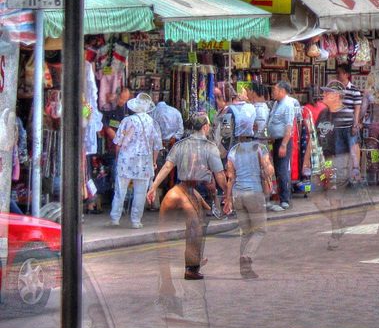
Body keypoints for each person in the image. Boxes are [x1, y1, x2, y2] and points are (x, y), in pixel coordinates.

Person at [147, 113, 231, 281]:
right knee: (195, 230)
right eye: (208, 125)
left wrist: (153, 187)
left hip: (181, 188)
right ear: (205, 127)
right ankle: (191, 269)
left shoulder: (180, 145)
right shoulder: (209, 147)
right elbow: (220, 176)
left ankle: (193, 262)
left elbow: (167, 167)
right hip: (195, 189)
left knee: (189, 229)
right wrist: (228, 195)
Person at [224, 129, 275, 279]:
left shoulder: (233, 150)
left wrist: (227, 199)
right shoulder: (260, 148)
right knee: (260, 230)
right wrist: (268, 169)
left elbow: (230, 177)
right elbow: (269, 170)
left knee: (245, 232)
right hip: (254, 194)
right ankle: (246, 256)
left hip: (238, 195)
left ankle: (245, 271)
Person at [109, 92, 163, 229]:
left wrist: (117, 157)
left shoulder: (128, 121)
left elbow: (118, 141)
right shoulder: (152, 123)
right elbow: (157, 145)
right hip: (144, 162)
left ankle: (115, 218)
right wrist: (154, 161)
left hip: (126, 160)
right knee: (140, 192)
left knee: (120, 189)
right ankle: (136, 220)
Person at [267, 80, 300, 211]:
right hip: (276, 141)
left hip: (283, 141)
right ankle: (281, 197)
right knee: (277, 170)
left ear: (282, 91)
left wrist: (284, 145)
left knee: (282, 169)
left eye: (275, 90)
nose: (273, 92)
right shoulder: (276, 103)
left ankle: (285, 199)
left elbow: (289, 127)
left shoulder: (288, 104)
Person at [336, 66, 365, 183]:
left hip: (349, 125)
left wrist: (355, 125)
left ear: (346, 74)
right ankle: (341, 176)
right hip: (338, 125)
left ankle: (354, 175)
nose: (338, 75)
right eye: (338, 73)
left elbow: (357, 109)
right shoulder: (336, 89)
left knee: (353, 150)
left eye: (340, 73)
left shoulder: (354, 90)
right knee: (339, 151)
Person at [216, 86, 257, 151]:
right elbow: (255, 126)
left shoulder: (228, 111)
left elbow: (225, 134)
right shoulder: (251, 107)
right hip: (249, 144)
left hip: (234, 148)